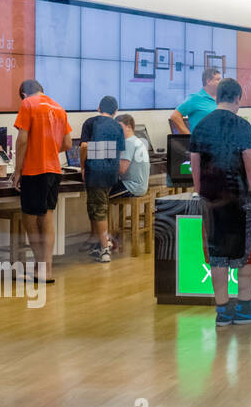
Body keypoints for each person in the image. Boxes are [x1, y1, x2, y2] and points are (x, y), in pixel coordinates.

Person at [189, 78, 251, 327]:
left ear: (216, 97)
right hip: (241, 200)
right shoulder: (242, 125)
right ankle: (245, 308)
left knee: (217, 256)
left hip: (212, 202)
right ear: (238, 98)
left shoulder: (201, 126)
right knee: (249, 255)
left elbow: (195, 166)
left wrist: (202, 194)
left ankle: (222, 310)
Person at [12, 79, 73, 283]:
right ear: (42, 90)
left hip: (34, 170)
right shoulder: (58, 107)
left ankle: (40, 268)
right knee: (46, 217)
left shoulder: (28, 104)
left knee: (29, 218)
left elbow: (22, 140)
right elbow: (67, 143)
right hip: (54, 170)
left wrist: (17, 170)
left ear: (23, 94)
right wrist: (49, 147)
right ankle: (47, 269)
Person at [80, 95, 128, 263]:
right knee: (98, 206)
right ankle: (97, 244)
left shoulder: (91, 123)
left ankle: (104, 249)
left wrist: (83, 166)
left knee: (98, 209)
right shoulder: (118, 126)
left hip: (95, 170)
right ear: (116, 111)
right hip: (111, 172)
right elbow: (118, 150)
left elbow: (85, 147)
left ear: (98, 108)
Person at [169, 67, 221, 135]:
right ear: (208, 81)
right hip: (201, 143)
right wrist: (188, 136)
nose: (221, 82)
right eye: (218, 79)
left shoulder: (222, 99)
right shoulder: (195, 98)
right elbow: (175, 116)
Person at [115, 114, 151, 198]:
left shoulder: (128, 142)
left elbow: (121, 169)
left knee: (100, 191)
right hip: (140, 187)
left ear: (128, 127)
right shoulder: (137, 141)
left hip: (131, 187)